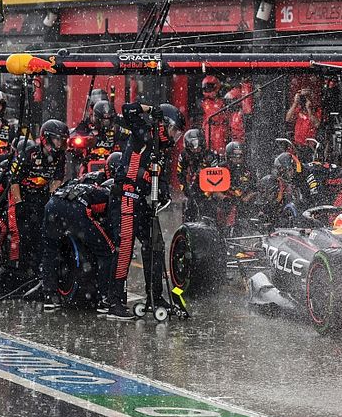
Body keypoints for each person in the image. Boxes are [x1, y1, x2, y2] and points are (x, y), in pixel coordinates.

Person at [107, 102, 184, 320]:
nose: (175, 137)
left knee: (155, 245)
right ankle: (115, 302)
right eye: (174, 130)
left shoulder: (163, 148)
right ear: (164, 124)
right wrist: (150, 110)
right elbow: (127, 109)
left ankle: (155, 296)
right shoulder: (145, 132)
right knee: (124, 249)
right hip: (126, 196)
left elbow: (162, 176)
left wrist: (164, 192)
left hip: (143, 201)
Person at [6, 119, 69, 285]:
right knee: (21, 233)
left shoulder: (60, 157)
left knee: (42, 234)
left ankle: (36, 270)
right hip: (21, 195)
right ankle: (17, 269)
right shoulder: (30, 152)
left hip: (41, 196)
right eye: (57, 139)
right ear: (46, 138)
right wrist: (19, 204)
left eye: (62, 139)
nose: (60, 143)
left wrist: (52, 201)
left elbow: (57, 180)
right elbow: (14, 180)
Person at [39, 178, 115, 313]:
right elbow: (110, 224)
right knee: (107, 251)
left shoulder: (82, 185)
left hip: (51, 205)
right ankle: (105, 298)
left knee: (50, 252)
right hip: (75, 209)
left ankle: (49, 296)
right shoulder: (107, 195)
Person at [176, 128, 218, 221]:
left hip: (209, 188)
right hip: (193, 186)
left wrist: (207, 193)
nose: (195, 150)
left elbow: (216, 176)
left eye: (198, 147)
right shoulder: (184, 155)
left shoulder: (210, 156)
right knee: (190, 207)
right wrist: (186, 189)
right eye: (192, 147)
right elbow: (180, 173)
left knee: (209, 207)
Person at [200, 76, 229, 154]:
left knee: (222, 152)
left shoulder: (224, 101)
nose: (208, 90)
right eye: (206, 88)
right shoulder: (202, 104)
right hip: (209, 130)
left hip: (221, 130)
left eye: (209, 87)